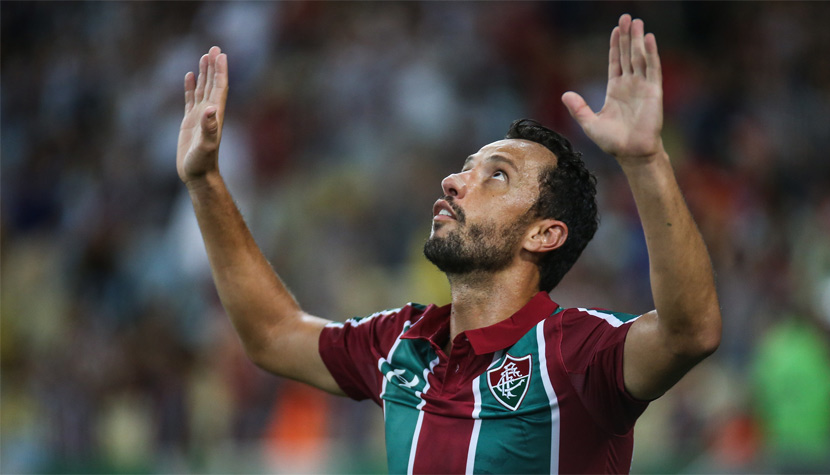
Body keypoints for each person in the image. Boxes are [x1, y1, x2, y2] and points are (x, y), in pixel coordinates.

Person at [176, 14, 721, 474]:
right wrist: (205, 182)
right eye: (465, 168)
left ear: (544, 233)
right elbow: (273, 334)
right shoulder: (402, 344)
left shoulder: (576, 352)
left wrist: (645, 161)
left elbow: (690, 331)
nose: (455, 182)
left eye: (497, 176)